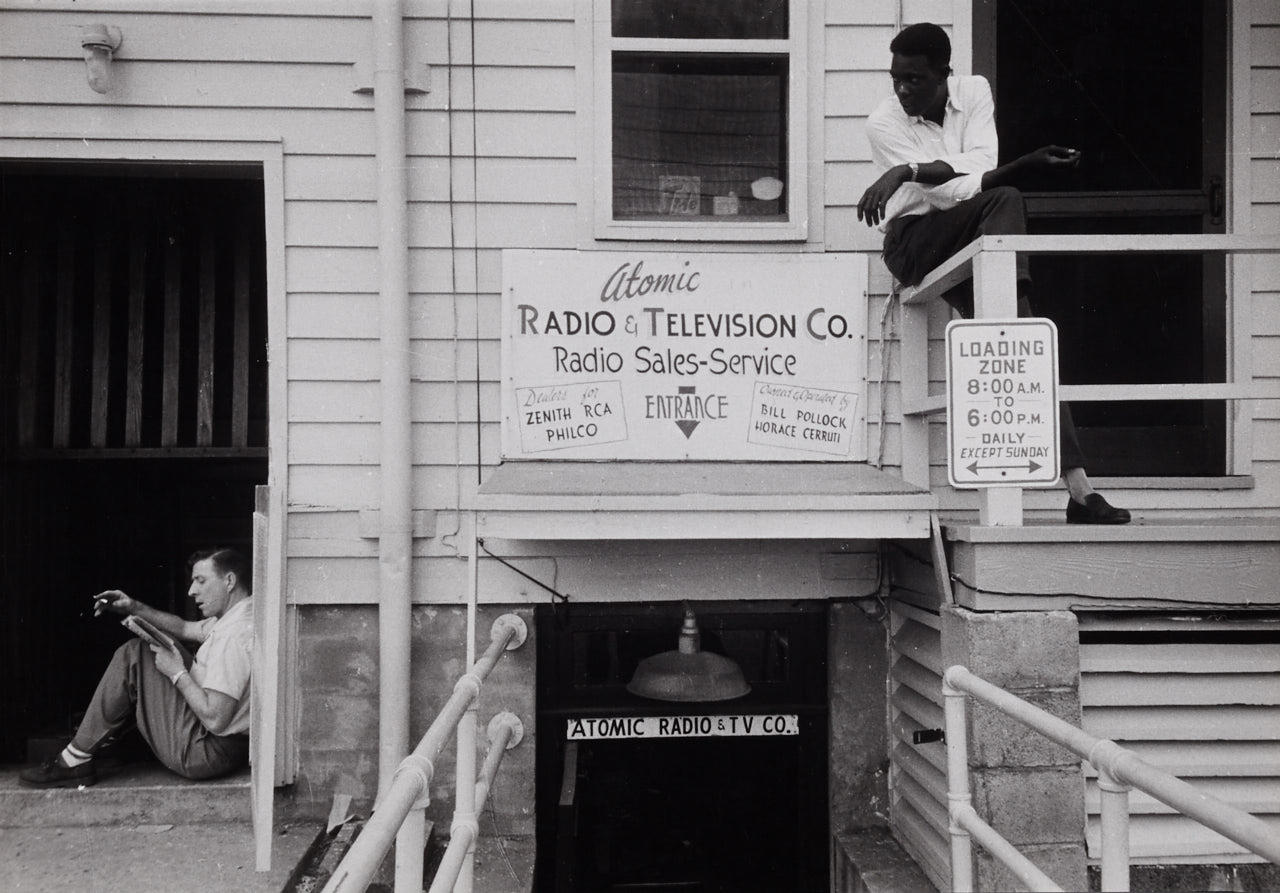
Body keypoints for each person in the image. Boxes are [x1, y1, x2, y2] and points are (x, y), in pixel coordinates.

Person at [858, 21, 1130, 525]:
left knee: (1024, 338)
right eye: (895, 78)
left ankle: (1081, 492)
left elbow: (983, 163)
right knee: (1005, 197)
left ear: (945, 73)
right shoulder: (883, 122)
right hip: (914, 242)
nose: (902, 89)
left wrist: (909, 171)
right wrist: (922, 172)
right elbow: (951, 192)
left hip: (970, 233)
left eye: (915, 79)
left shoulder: (975, 91)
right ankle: (1008, 295)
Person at [20, 548, 254, 787]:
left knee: (134, 654)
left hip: (205, 753)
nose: (191, 590)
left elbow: (216, 720)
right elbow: (185, 628)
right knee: (154, 647)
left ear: (229, 581)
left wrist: (177, 673)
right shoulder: (242, 615)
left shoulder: (232, 637)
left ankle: (76, 758)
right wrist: (132, 606)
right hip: (222, 745)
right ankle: (99, 738)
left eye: (201, 581)